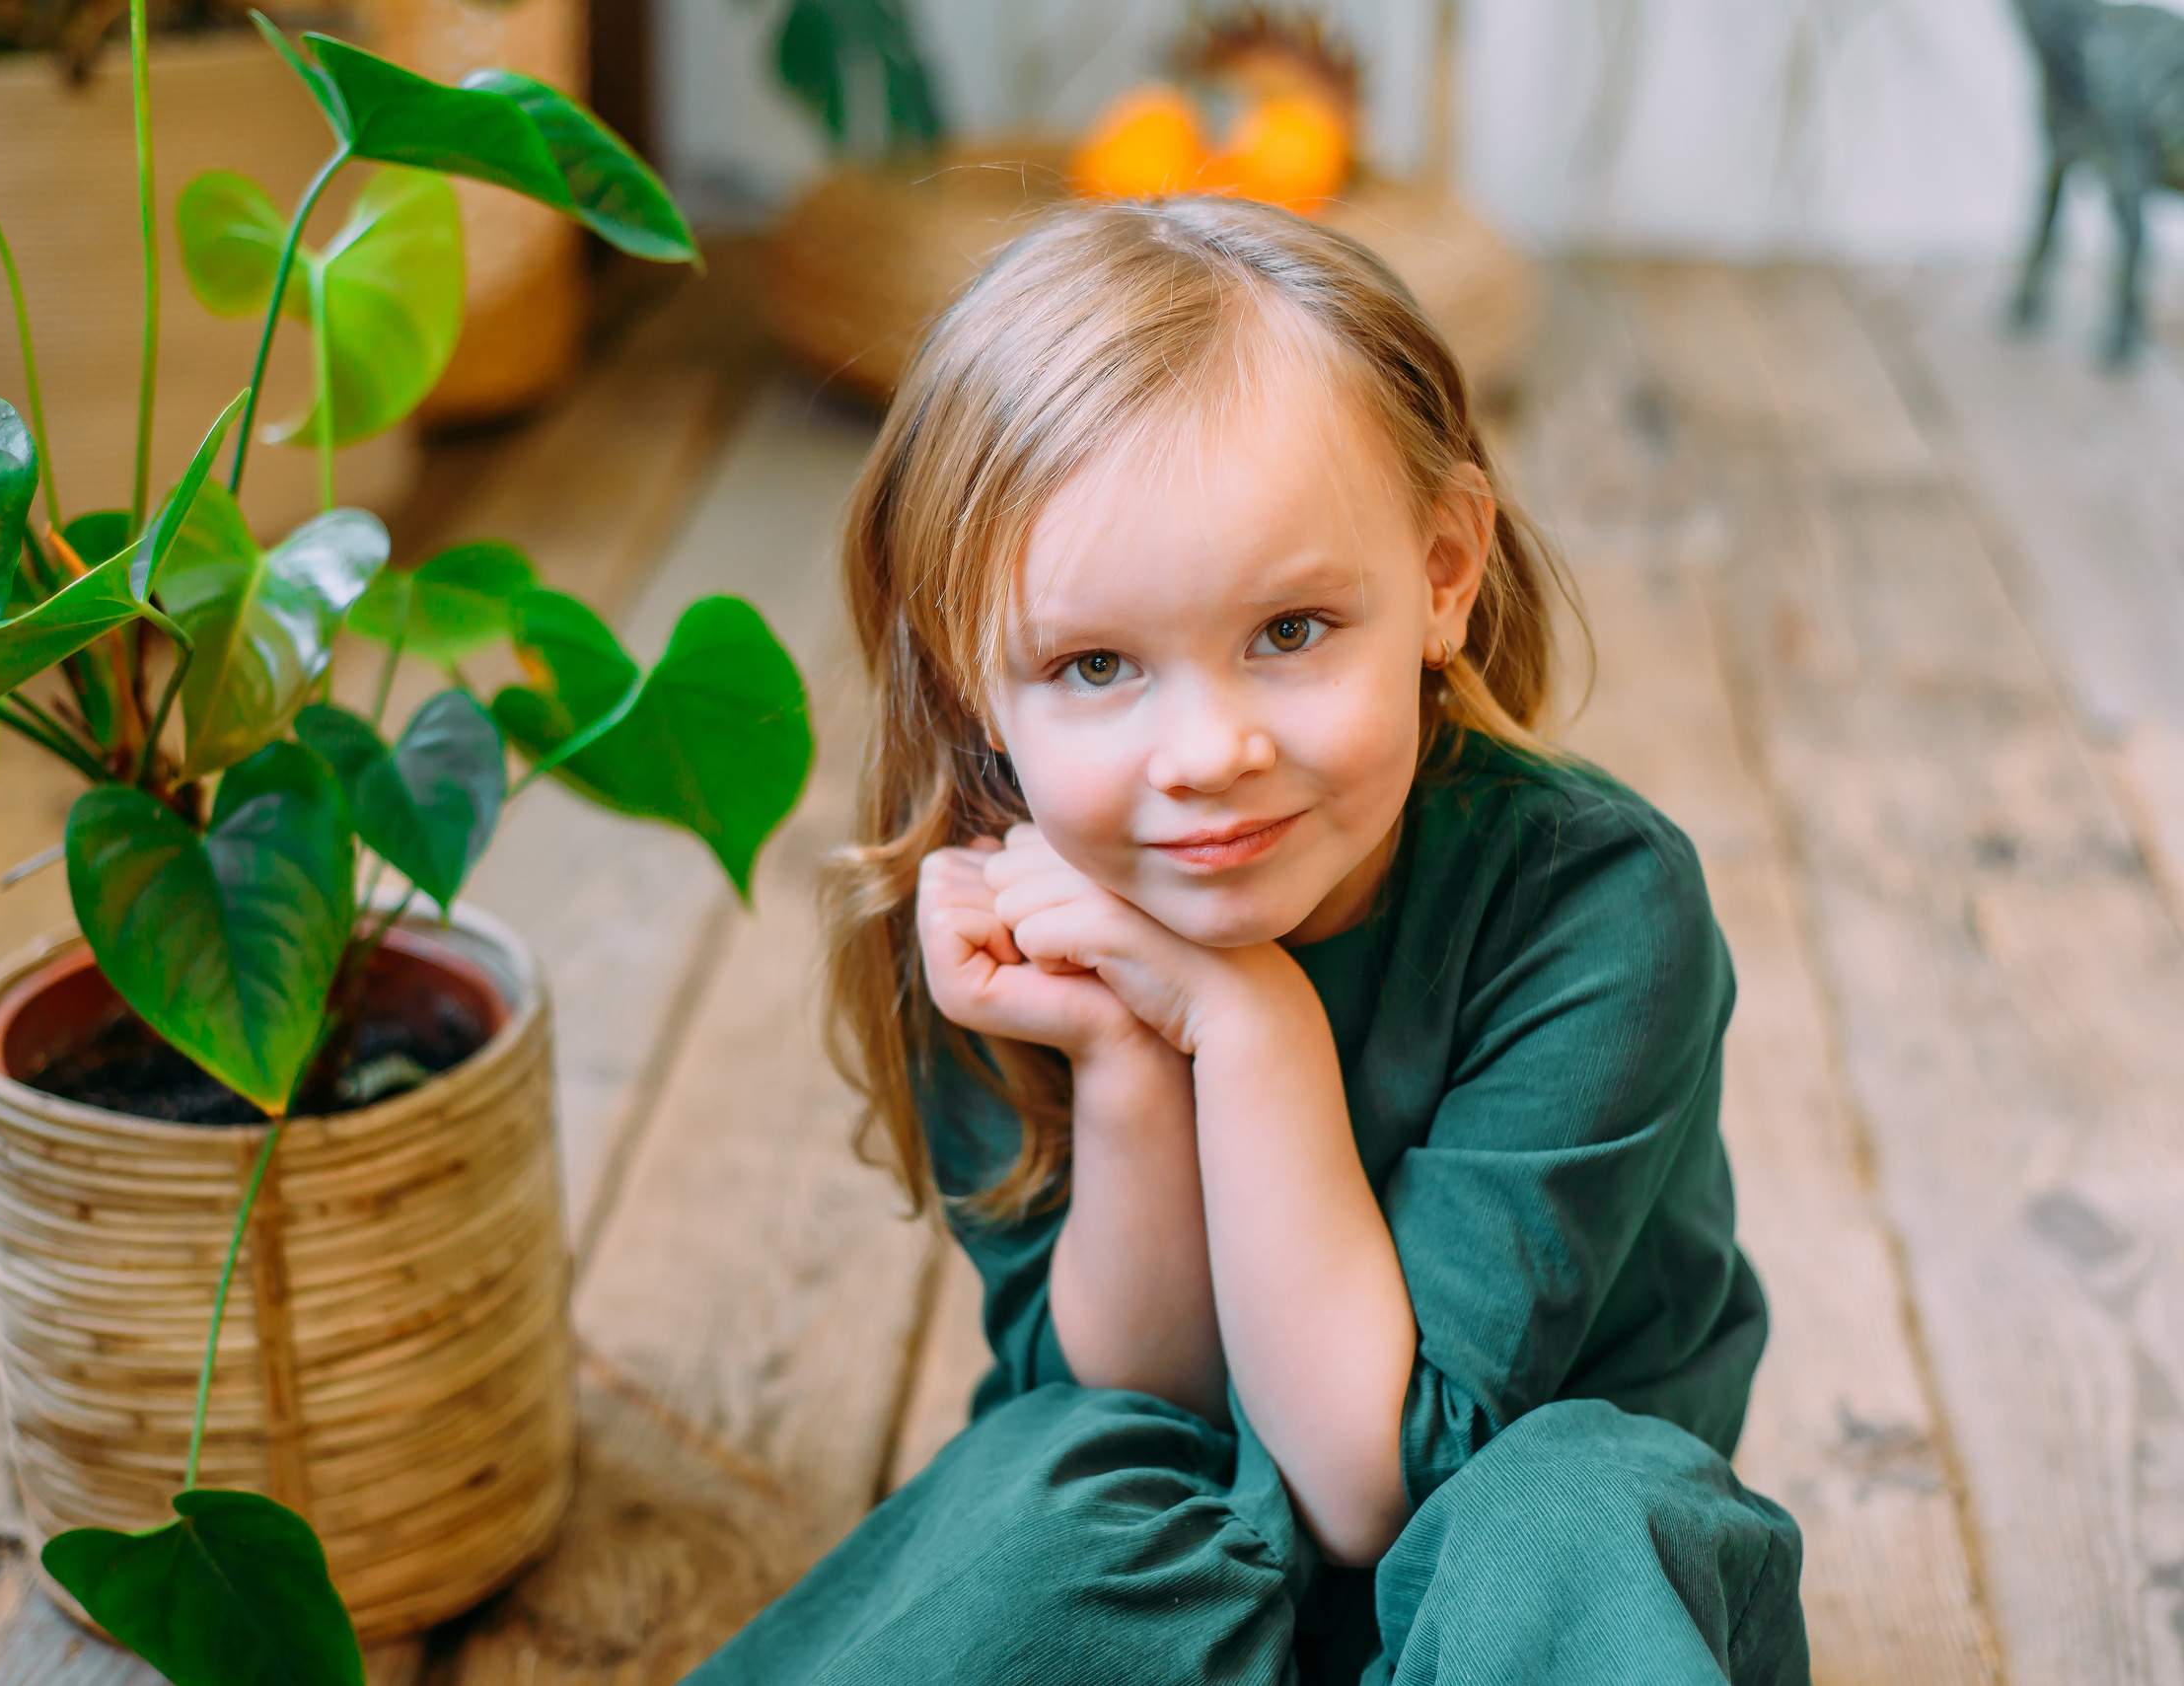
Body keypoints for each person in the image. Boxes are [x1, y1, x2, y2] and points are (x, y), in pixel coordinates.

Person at [690, 195, 1809, 1684]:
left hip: (1520, 1609)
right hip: (1194, 1588)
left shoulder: (1594, 906)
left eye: (1289, 630)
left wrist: (1247, 1018)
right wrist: (1124, 1058)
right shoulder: (996, 920)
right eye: (1096, 663)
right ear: (967, 674)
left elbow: (1370, 1483)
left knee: (1569, 1508)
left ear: (1445, 571)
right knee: (1064, 1498)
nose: (1209, 751)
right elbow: (1139, 1412)